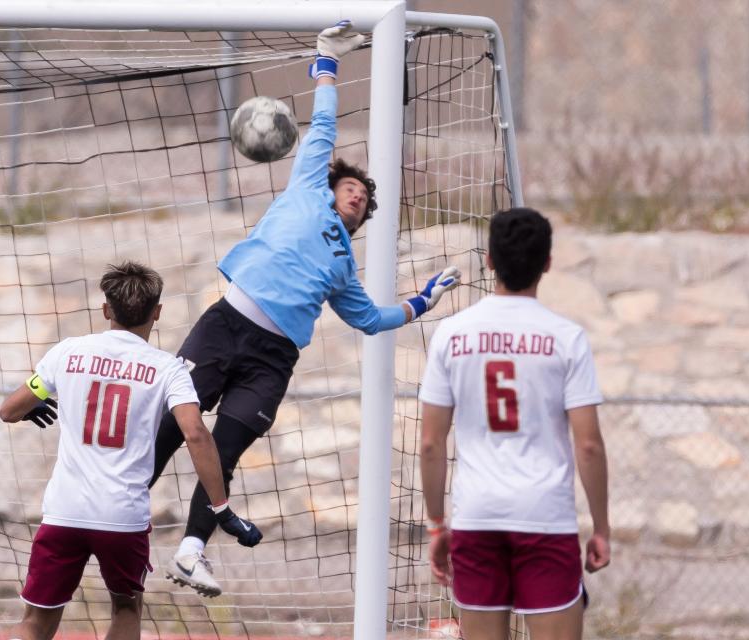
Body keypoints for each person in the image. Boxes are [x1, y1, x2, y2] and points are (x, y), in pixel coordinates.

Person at [150, 21, 461, 598]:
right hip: (227, 324)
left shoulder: (343, 268)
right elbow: (323, 122)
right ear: (333, 184)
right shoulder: (306, 188)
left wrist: (422, 301)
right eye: (352, 189)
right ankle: (116, 508)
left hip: (273, 359)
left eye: (365, 200)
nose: (358, 196)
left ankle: (191, 550)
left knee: (226, 448)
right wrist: (326, 60)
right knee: (172, 423)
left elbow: (371, 320)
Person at [0, 261, 262, 640]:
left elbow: (9, 410)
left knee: (36, 621)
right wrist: (220, 508)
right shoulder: (167, 368)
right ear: (157, 312)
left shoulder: (68, 352)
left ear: (106, 309)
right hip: (121, 517)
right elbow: (196, 435)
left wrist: (33, 405)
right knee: (126, 607)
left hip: (64, 511)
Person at [418, 208, 610, 640]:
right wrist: (601, 528)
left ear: (488, 260)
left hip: (477, 515)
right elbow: (590, 446)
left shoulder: (451, 333)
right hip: (545, 517)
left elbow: (431, 444)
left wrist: (436, 524)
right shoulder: (566, 337)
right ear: (547, 263)